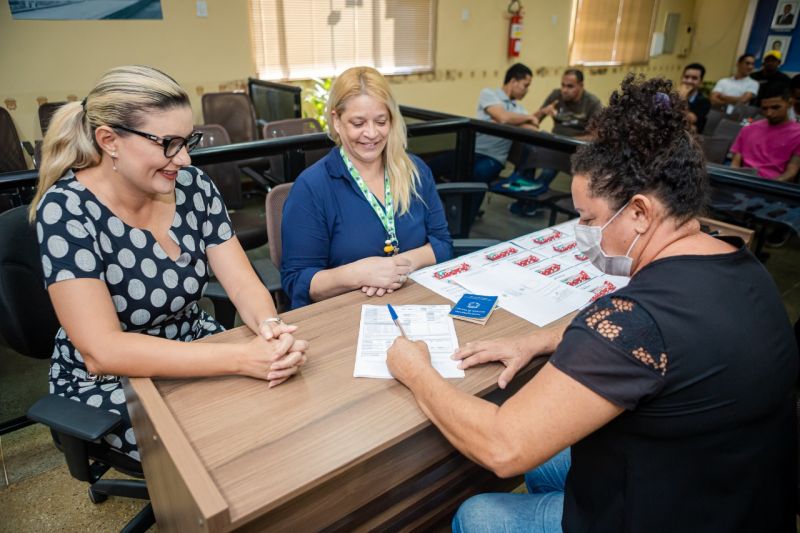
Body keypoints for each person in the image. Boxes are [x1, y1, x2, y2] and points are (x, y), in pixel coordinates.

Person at [386, 75, 798, 532]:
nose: (581, 234)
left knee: (477, 514)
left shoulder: (636, 319)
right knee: (549, 464)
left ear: (639, 213)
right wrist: (542, 339)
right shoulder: (741, 264)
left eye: (588, 218)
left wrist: (416, 371)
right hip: (733, 491)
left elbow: (503, 447)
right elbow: (664, 340)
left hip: (670, 514)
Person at [30, 66, 309, 461]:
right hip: (112, 379)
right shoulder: (66, 210)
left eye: (187, 141)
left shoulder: (194, 186)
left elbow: (243, 284)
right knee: (231, 445)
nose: (184, 158)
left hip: (195, 345)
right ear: (109, 141)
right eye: (169, 144)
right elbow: (102, 350)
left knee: (284, 409)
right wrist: (239, 358)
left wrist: (270, 328)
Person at [280, 66, 452, 309]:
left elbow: (443, 244)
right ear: (336, 121)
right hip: (343, 312)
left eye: (381, 121)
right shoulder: (312, 188)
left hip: (414, 302)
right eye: (358, 123)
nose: (371, 134)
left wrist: (398, 266)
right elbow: (298, 281)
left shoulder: (415, 171)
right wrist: (358, 274)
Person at [505, 69, 603, 216]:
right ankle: (525, 197)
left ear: (581, 85)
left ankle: (532, 200)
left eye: (570, 86)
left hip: (575, 148)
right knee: (528, 152)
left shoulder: (592, 103)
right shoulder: (556, 95)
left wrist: (571, 140)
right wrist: (543, 112)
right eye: (563, 85)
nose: (564, 90)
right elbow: (535, 120)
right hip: (553, 143)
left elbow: (597, 136)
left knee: (548, 168)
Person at [731, 82, 800, 181]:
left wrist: (769, 185)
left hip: (773, 184)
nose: (769, 113)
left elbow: (791, 172)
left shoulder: (798, 134)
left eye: (775, 107)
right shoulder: (748, 129)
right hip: (742, 179)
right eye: (765, 109)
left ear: (790, 103)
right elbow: (735, 163)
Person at [678, 62, 711, 133]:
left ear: (700, 82)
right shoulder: (673, 95)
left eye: (694, 78)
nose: (689, 81)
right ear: (681, 78)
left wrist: (682, 98)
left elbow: (691, 119)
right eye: (686, 77)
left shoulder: (704, 101)